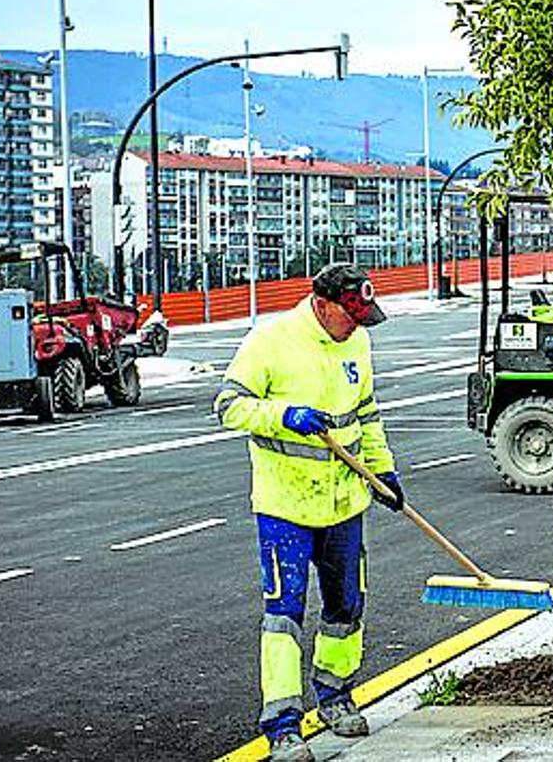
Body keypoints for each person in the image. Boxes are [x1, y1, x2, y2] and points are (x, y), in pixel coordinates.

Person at [213, 263, 405, 762]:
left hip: (344, 503)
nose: (358, 325)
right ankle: (281, 725)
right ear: (322, 305)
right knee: (285, 616)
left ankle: (335, 698)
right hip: (286, 506)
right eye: (351, 314)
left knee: (345, 607)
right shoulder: (271, 340)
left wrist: (383, 471)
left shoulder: (357, 342)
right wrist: (283, 416)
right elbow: (229, 406)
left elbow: (366, 413)